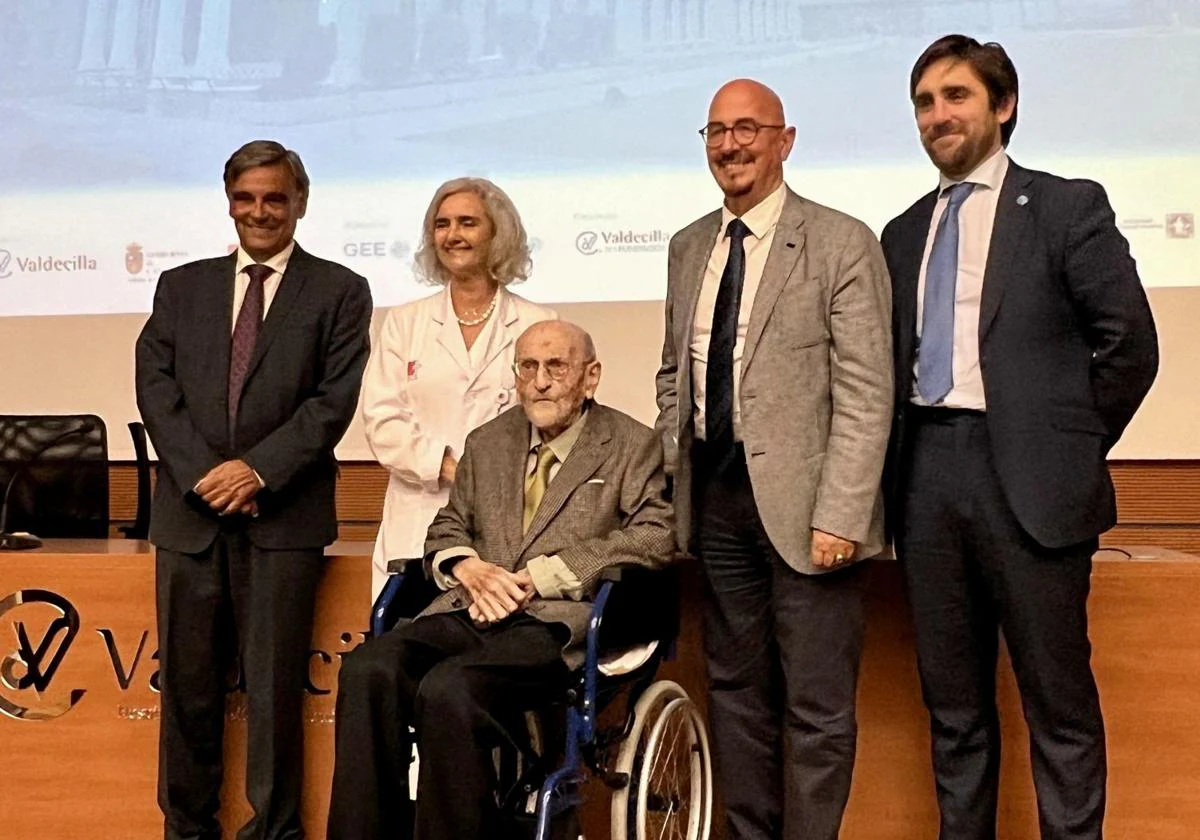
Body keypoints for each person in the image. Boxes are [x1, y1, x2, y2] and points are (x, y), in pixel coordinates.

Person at [880, 35, 1159, 840]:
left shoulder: (1067, 205)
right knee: (955, 711)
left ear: (1002, 106)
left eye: (957, 96)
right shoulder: (900, 234)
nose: (939, 115)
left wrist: (1065, 445)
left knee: (1058, 708)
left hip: (1030, 484)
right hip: (926, 479)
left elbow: (1130, 345)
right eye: (926, 102)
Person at [655, 79, 893, 840]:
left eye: (749, 129)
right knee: (735, 690)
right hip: (717, 505)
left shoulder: (838, 239)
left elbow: (865, 389)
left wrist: (843, 514)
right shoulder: (689, 245)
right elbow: (675, 376)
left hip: (811, 515)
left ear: (785, 141)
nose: (731, 145)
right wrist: (668, 492)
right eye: (717, 131)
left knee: (817, 706)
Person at [327, 320, 675, 840]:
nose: (540, 381)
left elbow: (655, 536)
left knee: (451, 688)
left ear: (591, 375)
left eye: (556, 367)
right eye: (527, 367)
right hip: (470, 607)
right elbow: (449, 524)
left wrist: (546, 575)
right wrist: (466, 565)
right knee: (368, 669)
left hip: (556, 625)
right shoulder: (489, 442)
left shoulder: (630, 444)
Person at [135, 140, 373, 840]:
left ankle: (274, 831)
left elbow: (332, 402)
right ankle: (187, 830)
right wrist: (203, 473)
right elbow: (156, 387)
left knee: (272, 694)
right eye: (247, 198)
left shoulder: (338, 290)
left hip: (282, 519)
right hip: (189, 519)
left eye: (275, 198)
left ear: (299, 202)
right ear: (229, 201)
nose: (260, 212)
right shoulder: (181, 287)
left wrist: (256, 471)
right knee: (187, 694)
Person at [361, 177, 557, 600]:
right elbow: (382, 421)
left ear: (497, 232)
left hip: (506, 519)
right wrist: (454, 468)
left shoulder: (537, 323)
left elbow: (554, 422)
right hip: (416, 517)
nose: (453, 235)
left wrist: (487, 481)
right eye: (442, 224)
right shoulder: (404, 322)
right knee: (402, 646)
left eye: (467, 223)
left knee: (484, 646)